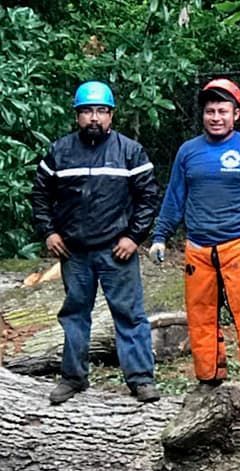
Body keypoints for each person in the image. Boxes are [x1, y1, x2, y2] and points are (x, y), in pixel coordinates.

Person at [30, 81, 160, 405]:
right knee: (74, 314)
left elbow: (148, 197)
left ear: (112, 115)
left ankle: (141, 379)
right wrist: (49, 232)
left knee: (129, 315)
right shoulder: (60, 152)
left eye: (101, 111)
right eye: (87, 111)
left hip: (117, 250)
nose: (94, 118)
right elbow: (40, 195)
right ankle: (73, 377)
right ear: (77, 115)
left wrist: (134, 237)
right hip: (74, 251)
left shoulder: (130, 151)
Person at [149, 79, 240, 395]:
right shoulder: (188, 152)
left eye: (222, 111)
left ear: (236, 114)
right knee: (201, 316)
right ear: (202, 115)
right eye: (210, 111)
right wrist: (161, 235)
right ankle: (208, 379)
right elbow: (175, 196)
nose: (216, 117)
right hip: (198, 248)